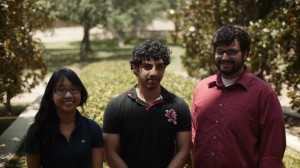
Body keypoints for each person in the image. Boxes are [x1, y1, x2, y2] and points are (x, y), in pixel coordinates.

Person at [191, 25, 286, 167]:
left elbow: (272, 153)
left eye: (232, 52)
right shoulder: (202, 88)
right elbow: (193, 137)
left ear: (245, 54)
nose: (224, 57)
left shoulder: (264, 94)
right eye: (220, 51)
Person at [103, 39, 191, 168]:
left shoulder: (179, 106)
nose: (154, 73)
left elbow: (183, 150)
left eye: (160, 67)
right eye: (147, 66)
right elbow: (110, 152)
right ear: (135, 67)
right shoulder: (116, 107)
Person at [24, 68, 104, 168]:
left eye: (74, 89)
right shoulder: (37, 131)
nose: (68, 95)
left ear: (81, 93)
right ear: (51, 96)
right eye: (61, 90)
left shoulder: (92, 129)